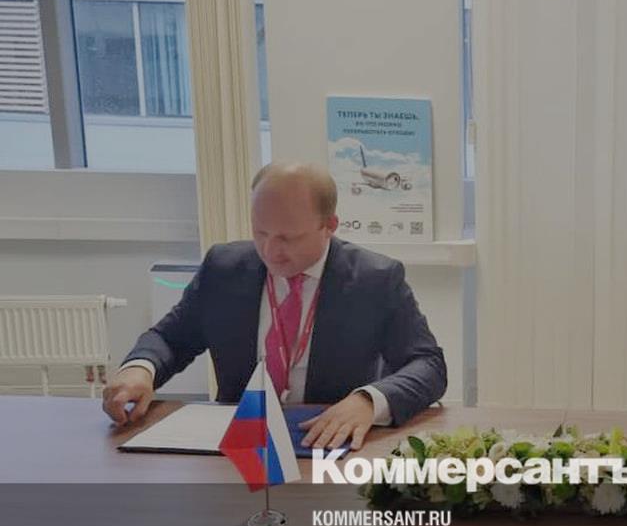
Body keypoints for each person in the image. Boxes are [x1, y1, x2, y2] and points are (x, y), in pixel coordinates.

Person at [102, 162, 447, 450]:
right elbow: (170, 338)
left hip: (327, 441)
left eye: (287, 237)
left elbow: (428, 365)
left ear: (329, 226)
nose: (270, 251)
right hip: (240, 441)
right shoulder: (224, 268)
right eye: (261, 232)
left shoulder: (375, 279)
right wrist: (140, 368)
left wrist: (368, 402)